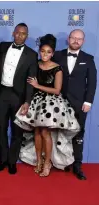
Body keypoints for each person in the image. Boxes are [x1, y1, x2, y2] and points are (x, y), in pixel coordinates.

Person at [14, 34, 80, 177]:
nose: (45, 54)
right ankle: (39, 161)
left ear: (53, 53)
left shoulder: (57, 69)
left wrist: (38, 85)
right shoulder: (35, 65)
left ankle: (48, 163)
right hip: (37, 102)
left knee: (45, 132)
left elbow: (57, 90)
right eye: (43, 51)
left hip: (51, 104)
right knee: (37, 132)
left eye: (48, 52)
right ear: (39, 51)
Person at [52, 29, 97, 180]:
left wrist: (88, 101)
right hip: (58, 102)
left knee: (78, 134)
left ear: (83, 41)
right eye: (74, 38)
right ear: (68, 39)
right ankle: (56, 162)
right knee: (55, 132)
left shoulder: (88, 58)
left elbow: (92, 82)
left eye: (79, 39)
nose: (76, 41)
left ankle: (77, 165)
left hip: (79, 103)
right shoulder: (57, 55)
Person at [0, 23, 38, 174]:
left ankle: (12, 162)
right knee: (0, 128)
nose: (20, 36)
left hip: (18, 96)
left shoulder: (32, 54)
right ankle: (3, 160)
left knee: (17, 131)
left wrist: (27, 101)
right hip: (1, 93)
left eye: (24, 34)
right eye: (18, 33)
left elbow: (30, 80)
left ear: (27, 36)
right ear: (13, 33)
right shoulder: (2, 46)